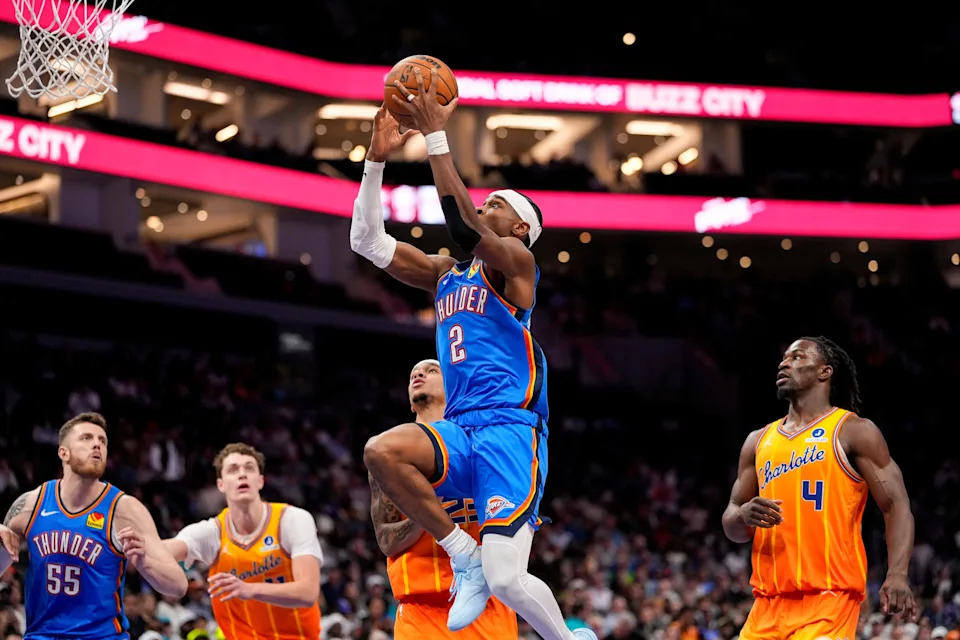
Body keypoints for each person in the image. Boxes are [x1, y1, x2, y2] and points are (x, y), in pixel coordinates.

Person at [355, 68, 595, 640]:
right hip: (461, 427)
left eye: (493, 204)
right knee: (381, 452)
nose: (483, 207)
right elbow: (366, 241)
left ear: (518, 226)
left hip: (511, 429)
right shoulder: (445, 275)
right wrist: (375, 161)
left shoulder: (516, 264)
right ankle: (460, 552)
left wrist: (437, 135)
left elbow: (466, 230)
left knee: (508, 581)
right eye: (483, 203)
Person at [722, 336, 918, 640]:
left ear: (824, 372)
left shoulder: (852, 430)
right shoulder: (758, 441)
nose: (785, 362)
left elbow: (896, 505)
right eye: (784, 357)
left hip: (829, 599)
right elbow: (732, 526)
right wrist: (743, 515)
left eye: (798, 357)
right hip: (767, 605)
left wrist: (897, 574)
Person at [0, 412, 187, 640]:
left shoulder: (125, 509)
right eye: (86, 438)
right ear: (63, 453)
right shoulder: (30, 505)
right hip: (42, 635)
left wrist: (144, 564)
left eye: (102, 441)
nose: (97, 445)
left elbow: (178, 586)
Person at [369, 358, 518, 639]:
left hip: (489, 606)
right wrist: (425, 510)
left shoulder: (485, 445)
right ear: (411, 404)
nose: (419, 374)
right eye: (414, 373)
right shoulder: (388, 456)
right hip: (420, 610)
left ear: (454, 389)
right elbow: (387, 542)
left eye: (431, 370)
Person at [162, 442, 323, 640]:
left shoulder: (292, 520)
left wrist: (248, 589)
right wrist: (133, 541)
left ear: (261, 481)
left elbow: (307, 592)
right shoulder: (211, 532)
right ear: (220, 484)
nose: (242, 474)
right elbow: (162, 550)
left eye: (249, 468)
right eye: (233, 470)